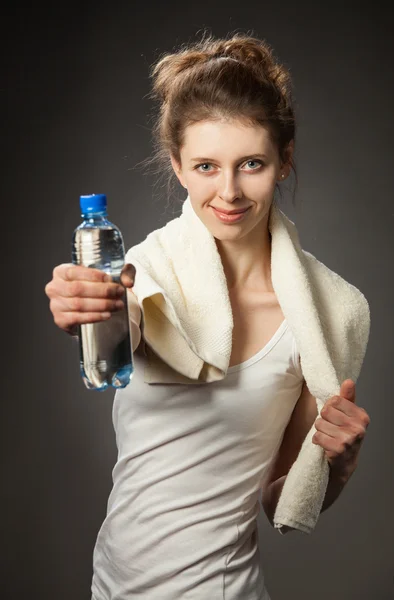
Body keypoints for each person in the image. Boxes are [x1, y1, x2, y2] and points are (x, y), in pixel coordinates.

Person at [44, 31, 370, 600]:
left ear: (284, 161)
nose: (229, 192)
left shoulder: (322, 315)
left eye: (250, 164)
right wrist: (86, 308)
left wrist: (336, 466)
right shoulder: (145, 272)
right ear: (177, 167)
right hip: (110, 588)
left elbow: (280, 502)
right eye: (204, 166)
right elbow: (126, 312)